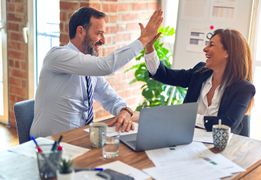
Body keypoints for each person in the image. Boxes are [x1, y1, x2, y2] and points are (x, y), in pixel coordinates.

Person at [30, 7, 163, 137]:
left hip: (78, 140)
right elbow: (106, 66)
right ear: (81, 31)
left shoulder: (89, 67)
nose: (103, 41)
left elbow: (109, 97)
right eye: (99, 33)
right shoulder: (58, 56)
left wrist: (124, 110)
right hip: (48, 145)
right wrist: (143, 39)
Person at [144, 28, 255, 136]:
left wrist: (188, 117)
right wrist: (149, 47)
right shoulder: (200, 72)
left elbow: (227, 124)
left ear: (227, 53)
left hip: (220, 148)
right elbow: (164, 74)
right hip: (186, 140)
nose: (205, 49)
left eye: (211, 45)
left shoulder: (244, 89)